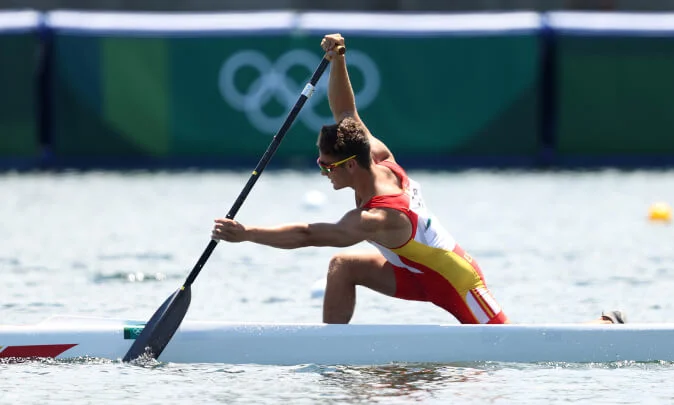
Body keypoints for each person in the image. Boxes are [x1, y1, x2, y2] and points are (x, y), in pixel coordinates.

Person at [212, 33, 626, 326]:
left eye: (326, 167)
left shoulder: (378, 217)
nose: (323, 173)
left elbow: (307, 233)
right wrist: (339, 60)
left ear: (350, 166)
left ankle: (606, 324)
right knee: (343, 267)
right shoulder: (377, 156)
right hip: (411, 271)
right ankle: (333, 354)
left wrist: (246, 233)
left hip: (456, 280)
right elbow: (346, 114)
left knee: (516, 351)